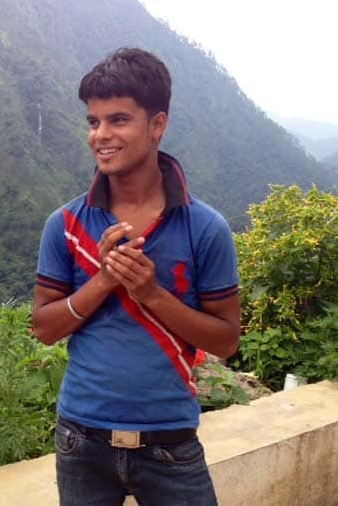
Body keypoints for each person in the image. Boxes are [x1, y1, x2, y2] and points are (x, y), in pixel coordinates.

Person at [31, 47, 240, 506]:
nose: (101, 135)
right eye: (93, 121)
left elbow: (226, 341)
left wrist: (149, 292)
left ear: (157, 125)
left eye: (118, 120)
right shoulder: (65, 225)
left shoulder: (204, 228)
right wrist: (104, 279)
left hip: (171, 443)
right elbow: (45, 329)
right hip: (80, 440)